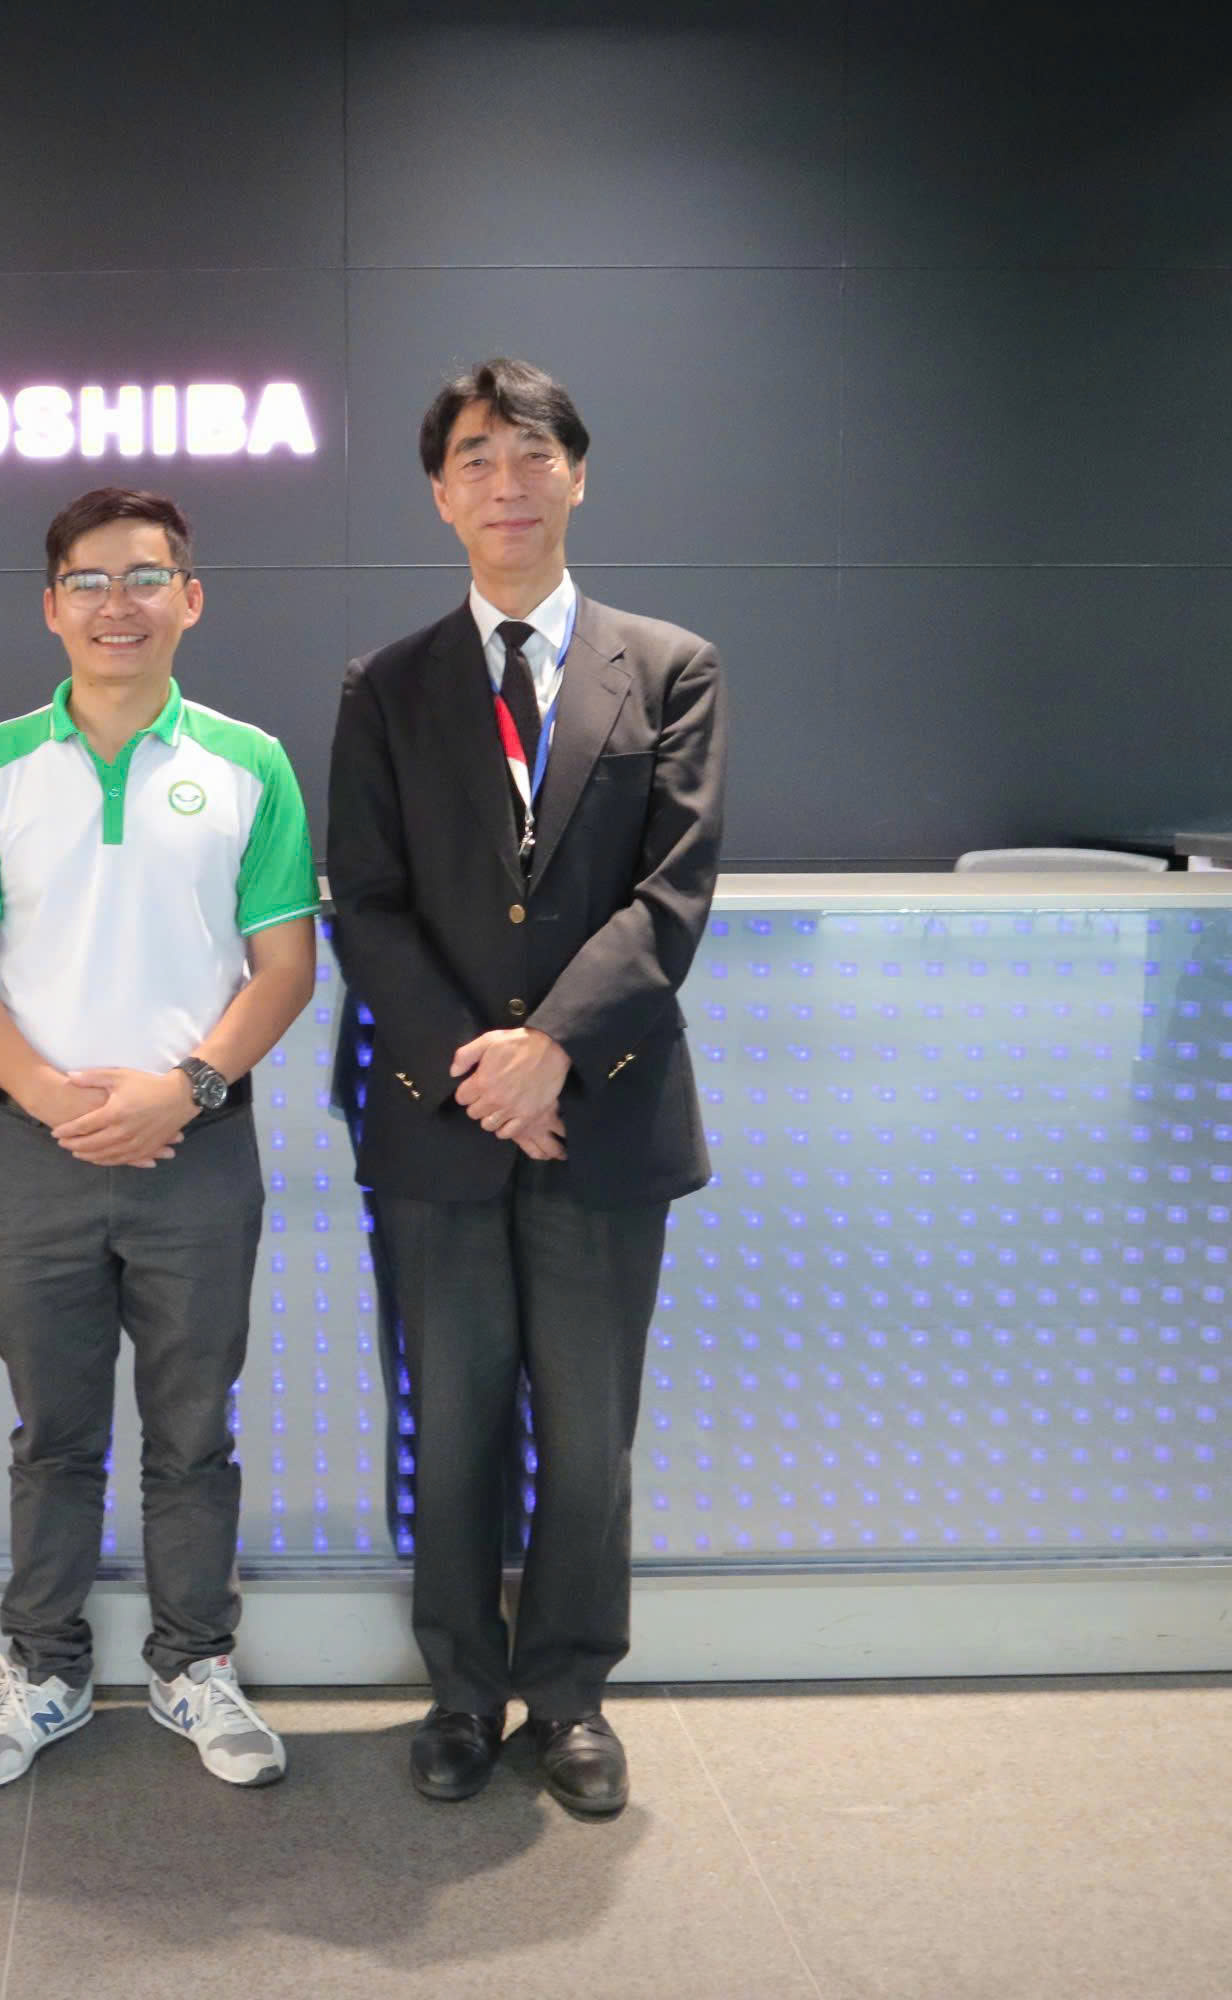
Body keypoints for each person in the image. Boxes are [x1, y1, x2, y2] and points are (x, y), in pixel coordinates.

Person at [327, 358, 725, 1817]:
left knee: (588, 1429)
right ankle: (457, 1689)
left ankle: (569, 1696)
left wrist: (554, 1047)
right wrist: (479, 1070)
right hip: (443, 1127)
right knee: (454, 1421)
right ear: (441, 496)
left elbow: (672, 893)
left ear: (579, 474)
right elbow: (367, 904)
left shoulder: (670, 669)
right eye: (477, 460)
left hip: (603, 1117)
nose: (507, 483)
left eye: (533, 454)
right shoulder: (387, 685)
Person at [0, 488, 318, 1790]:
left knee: (193, 1429)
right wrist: (54, 1098)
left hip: (197, 1152)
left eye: (146, 578)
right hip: (34, 1155)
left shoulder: (249, 764)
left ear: (190, 599)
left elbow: (285, 966)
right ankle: (45, 1667)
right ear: (52, 608)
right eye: (88, 582)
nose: (117, 605)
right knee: (54, 1432)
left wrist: (183, 1090)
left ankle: (195, 1664)